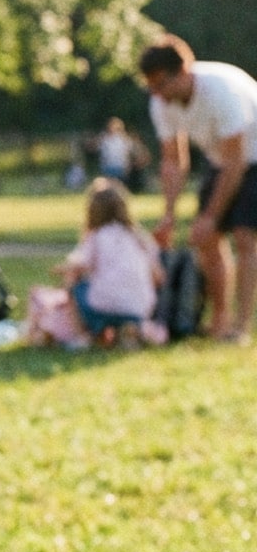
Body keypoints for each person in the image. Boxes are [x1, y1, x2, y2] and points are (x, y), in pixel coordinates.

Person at [140, 35, 257, 343]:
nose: (157, 93)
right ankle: (220, 320)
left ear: (184, 71)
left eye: (162, 84)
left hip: (250, 156)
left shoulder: (222, 91)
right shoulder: (161, 102)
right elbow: (174, 161)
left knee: (246, 237)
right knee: (206, 239)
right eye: (151, 86)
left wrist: (210, 215)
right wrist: (168, 214)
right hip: (222, 159)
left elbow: (237, 162)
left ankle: (240, 327)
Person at [54, 178, 164, 349]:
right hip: (139, 308)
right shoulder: (140, 237)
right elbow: (158, 277)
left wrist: (59, 269)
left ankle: (84, 336)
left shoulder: (97, 236)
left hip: (105, 305)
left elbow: (78, 266)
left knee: (74, 285)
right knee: (112, 293)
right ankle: (129, 328)